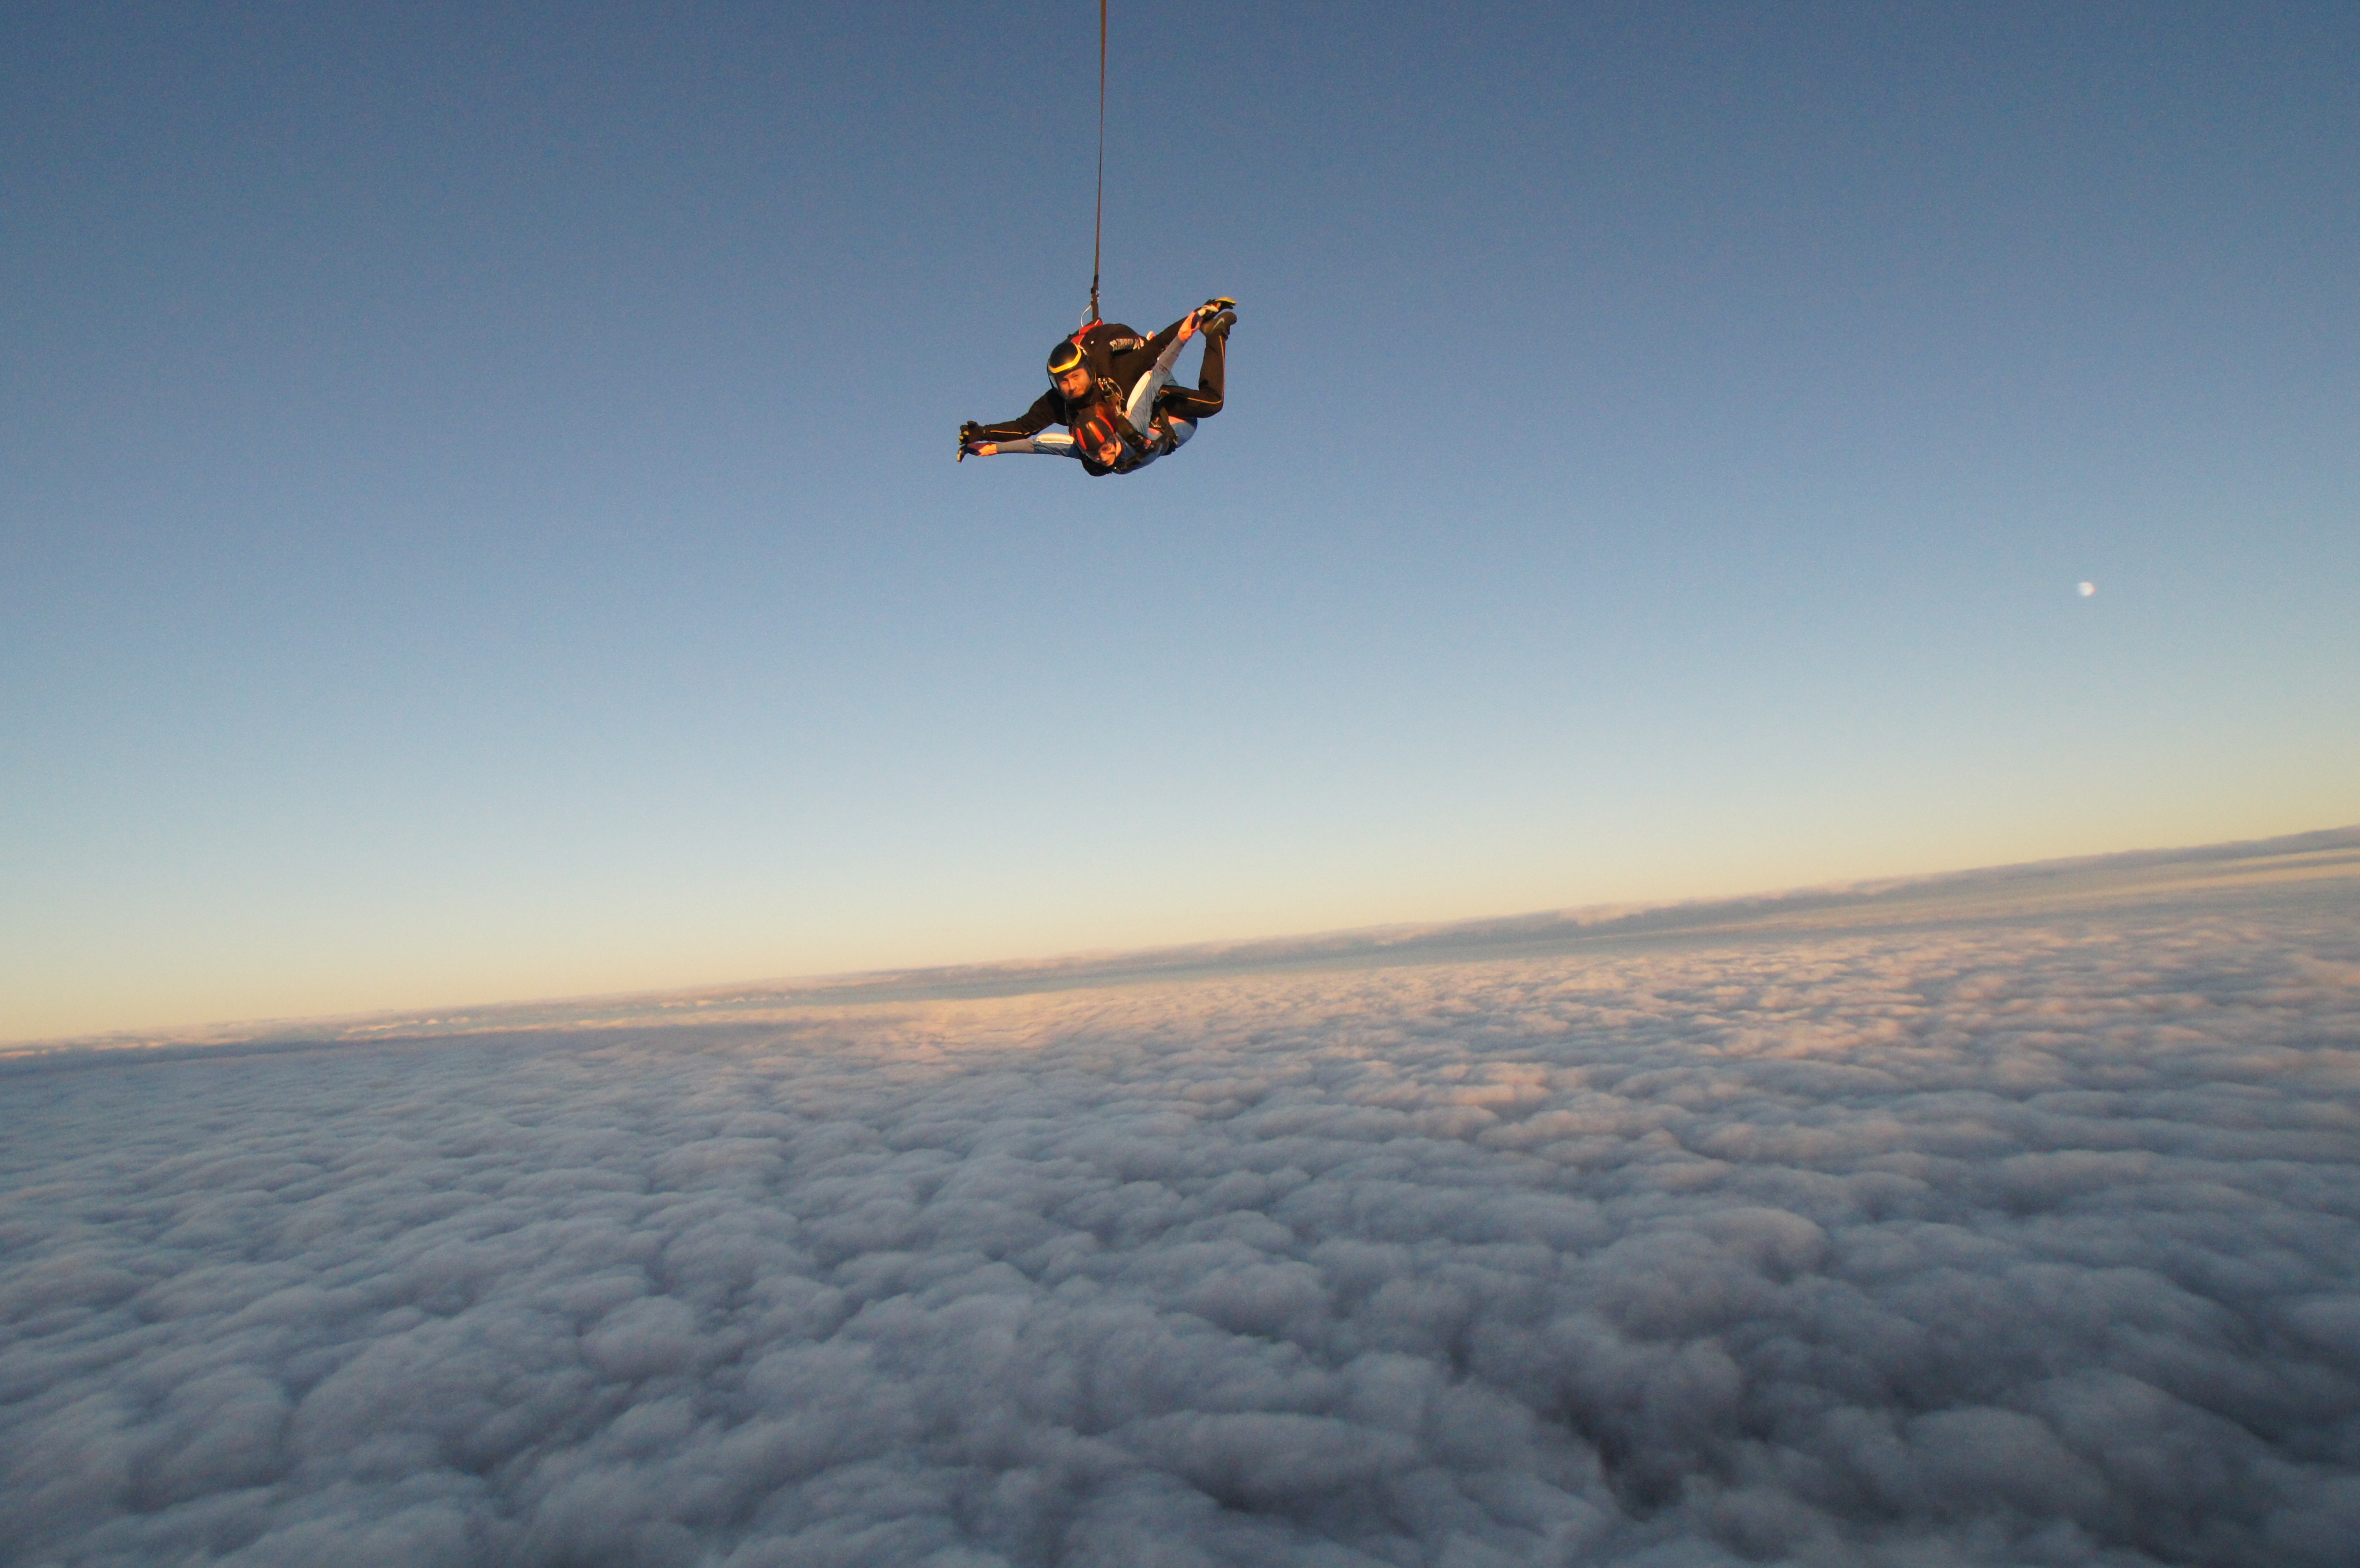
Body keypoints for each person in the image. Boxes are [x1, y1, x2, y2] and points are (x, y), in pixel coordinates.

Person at [960, 299, 1234, 475]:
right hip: (1128, 425)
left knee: (1212, 403)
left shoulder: (1116, 373)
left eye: (1076, 376)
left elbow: (1159, 351)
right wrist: (984, 436)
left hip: (1150, 394)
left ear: (1088, 370)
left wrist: (1198, 316)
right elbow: (1028, 432)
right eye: (1063, 382)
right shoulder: (1058, 403)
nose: (1071, 387)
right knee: (1095, 463)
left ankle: (1217, 334)